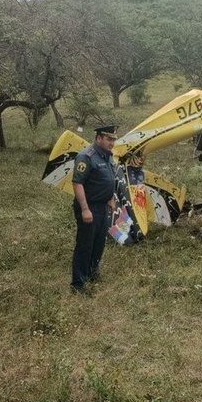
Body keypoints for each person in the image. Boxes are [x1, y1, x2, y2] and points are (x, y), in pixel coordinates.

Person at [70, 124, 119, 293]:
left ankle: (92, 272)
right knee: (85, 245)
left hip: (102, 207)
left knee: (99, 243)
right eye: (108, 139)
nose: (112, 142)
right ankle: (78, 284)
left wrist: (111, 198)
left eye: (113, 139)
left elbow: (109, 178)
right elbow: (78, 183)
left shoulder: (107, 156)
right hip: (89, 207)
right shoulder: (86, 156)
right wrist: (84, 209)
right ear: (98, 138)